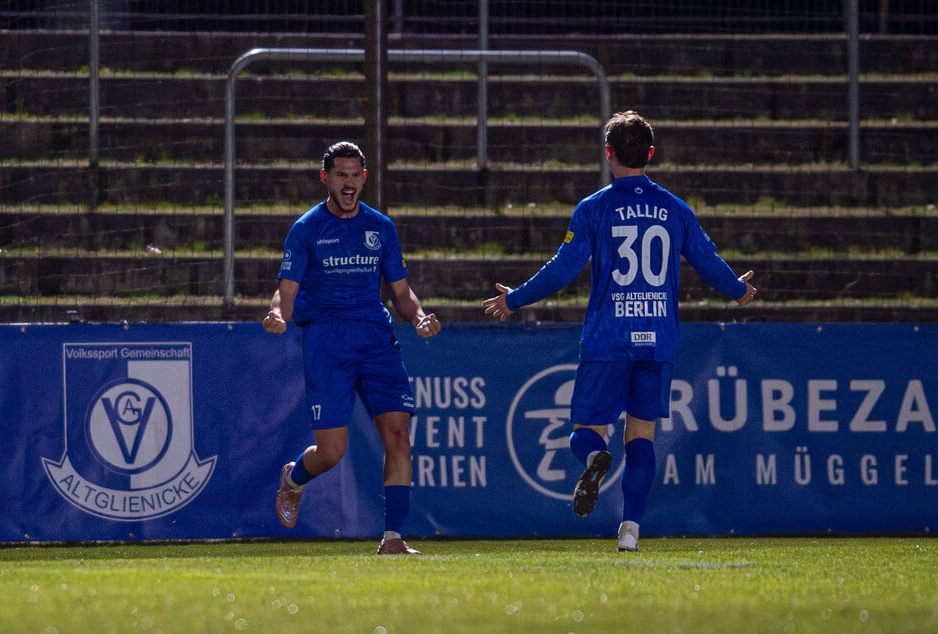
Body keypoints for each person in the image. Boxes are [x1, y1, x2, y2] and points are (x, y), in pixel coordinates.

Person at [482, 111, 756, 552]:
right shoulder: (675, 208)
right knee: (642, 436)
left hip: (610, 339)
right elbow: (706, 260)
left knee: (585, 432)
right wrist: (738, 289)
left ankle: (594, 460)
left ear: (608, 154)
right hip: (658, 341)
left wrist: (514, 299)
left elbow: (563, 269)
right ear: (650, 154)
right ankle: (630, 531)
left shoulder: (594, 207)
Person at [263, 141, 441, 555]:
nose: (348, 182)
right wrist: (278, 315)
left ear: (364, 177)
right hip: (328, 344)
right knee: (332, 452)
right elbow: (285, 290)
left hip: (376, 342)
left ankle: (393, 539)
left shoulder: (381, 227)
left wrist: (418, 317)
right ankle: (293, 479)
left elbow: (402, 291)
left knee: (398, 436)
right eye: (340, 174)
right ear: (325, 178)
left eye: (354, 174)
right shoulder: (306, 228)